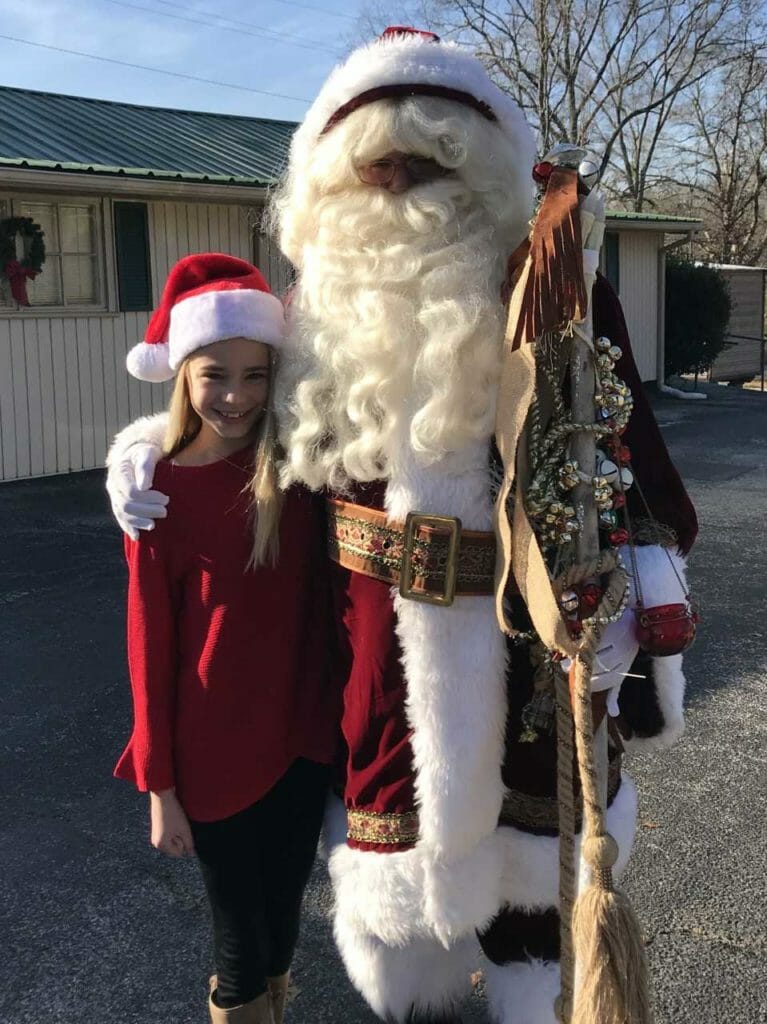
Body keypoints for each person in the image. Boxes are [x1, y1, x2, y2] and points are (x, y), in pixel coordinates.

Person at [107, 30, 698, 1024]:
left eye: (424, 164)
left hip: (523, 630)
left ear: (478, 169)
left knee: (530, 883)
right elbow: (240, 415)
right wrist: (153, 453)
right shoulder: (316, 312)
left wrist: (644, 612)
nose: (398, 188)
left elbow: (622, 440)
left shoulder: (555, 283)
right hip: (367, 644)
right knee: (395, 889)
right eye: (375, 170)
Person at [112, 253, 338, 1024]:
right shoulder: (156, 496)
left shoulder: (302, 478)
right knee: (239, 943)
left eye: (255, 375)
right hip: (212, 763)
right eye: (214, 375)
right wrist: (159, 788)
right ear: (182, 374)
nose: (236, 395)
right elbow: (150, 652)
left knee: (281, 929)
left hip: (302, 744)